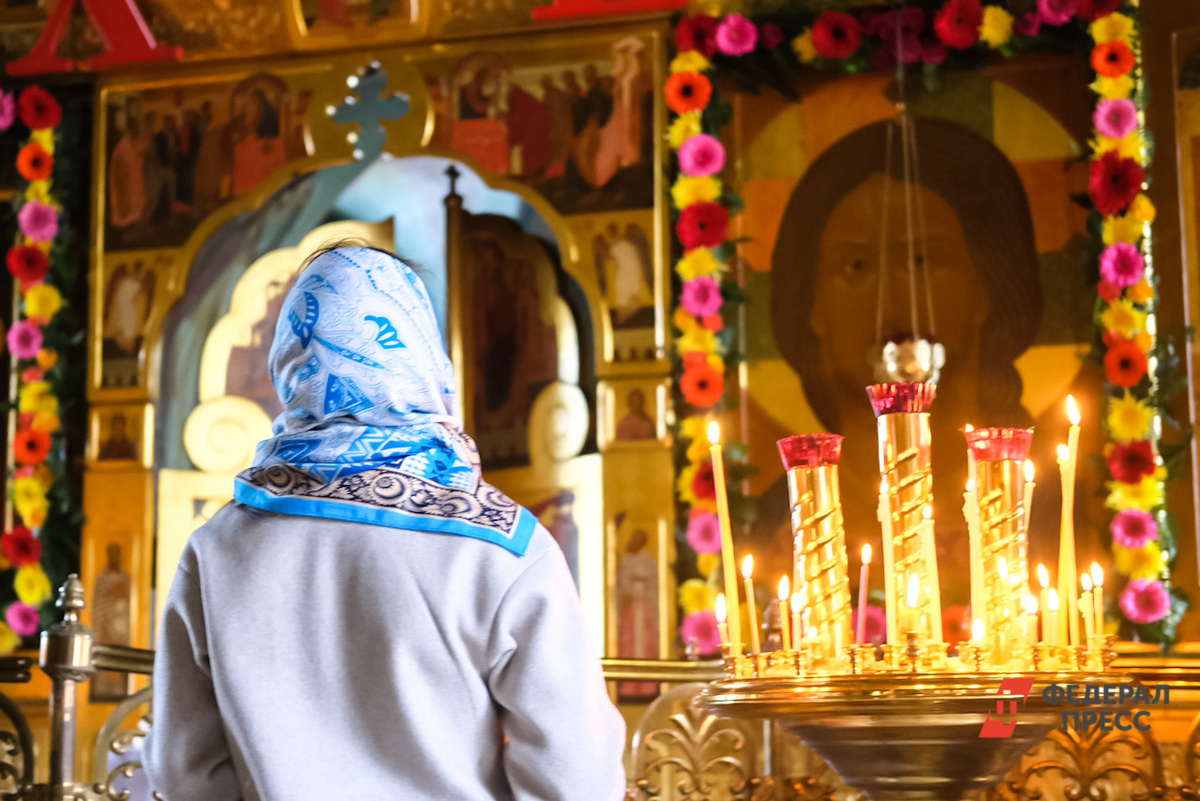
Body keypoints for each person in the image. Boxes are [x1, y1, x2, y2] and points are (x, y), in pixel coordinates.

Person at [144, 245, 626, 800]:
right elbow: (575, 776)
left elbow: (184, 768)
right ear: (421, 353)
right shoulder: (500, 546)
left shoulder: (217, 547)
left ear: (292, 358)